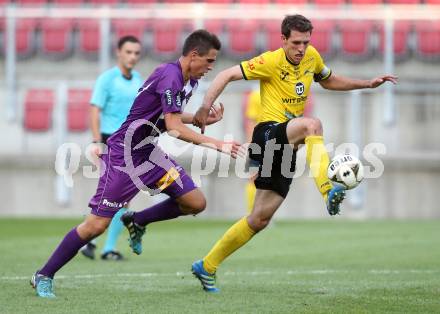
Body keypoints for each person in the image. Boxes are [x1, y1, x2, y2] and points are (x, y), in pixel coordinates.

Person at [191, 14, 398, 292]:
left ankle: (207, 265)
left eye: (306, 42)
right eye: (296, 42)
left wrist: (367, 83)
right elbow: (226, 74)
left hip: (286, 145)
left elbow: (329, 80)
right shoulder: (271, 61)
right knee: (313, 125)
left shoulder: (311, 57)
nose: (301, 48)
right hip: (267, 134)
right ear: (284, 39)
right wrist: (205, 105)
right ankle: (328, 189)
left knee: (259, 219)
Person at [31, 29, 242, 298]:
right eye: (209, 61)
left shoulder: (187, 81)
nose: (211, 67)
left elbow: (170, 118)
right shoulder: (171, 76)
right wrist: (218, 144)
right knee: (96, 225)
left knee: (194, 202)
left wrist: (200, 120)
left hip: (148, 154)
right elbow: (174, 127)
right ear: (193, 55)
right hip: (124, 155)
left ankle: (137, 220)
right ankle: (44, 274)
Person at [80, 35, 143, 261]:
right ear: (118, 52)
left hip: (131, 143)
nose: (132, 57)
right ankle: (98, 244)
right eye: (128, 52)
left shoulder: (138, 79)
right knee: (112, 195)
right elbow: (95, 109)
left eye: (136, 53)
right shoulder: (107, 79)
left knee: (117, 197)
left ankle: (95, 244)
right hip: (109, 140)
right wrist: (97, 141)